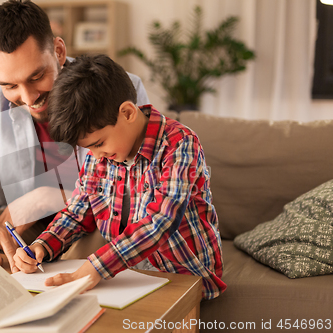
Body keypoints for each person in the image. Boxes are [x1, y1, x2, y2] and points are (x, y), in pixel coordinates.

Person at [0, 0, 150, 272]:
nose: (28, 98)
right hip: (23, 229)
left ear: (59, 51)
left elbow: (139, 190)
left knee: (104, 237)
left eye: (37, 76)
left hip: (91, 221)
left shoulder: (118, 87)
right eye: (9, 85)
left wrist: (44, 198)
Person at [13, 54, 226, 300]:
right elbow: (79, 211)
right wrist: (43, 245)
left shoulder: (180, 144)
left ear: (127, 113)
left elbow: (161, 220)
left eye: (98, 143)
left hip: (184, 272)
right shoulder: (100, 155)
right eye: (88, 148)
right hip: (124, 271)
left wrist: (97, 267)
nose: (95, 155)